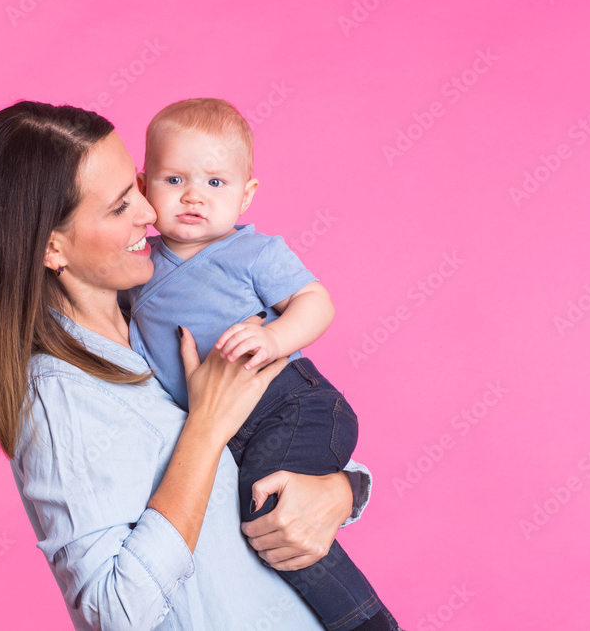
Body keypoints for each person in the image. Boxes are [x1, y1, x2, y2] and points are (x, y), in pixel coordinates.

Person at [0, 100, 402, 630]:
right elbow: (116, 613)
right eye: (120, 206)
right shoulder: (57, 398)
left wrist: (342, 491)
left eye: (138, 189)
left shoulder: (151, 318)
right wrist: (205, 430)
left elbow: (259, 464)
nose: (148, 211)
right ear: (52, 248)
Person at [122, 98, 395, 630]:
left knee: (268, 507)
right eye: (174, 180)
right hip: (229, 427)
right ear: (144, 186)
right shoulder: (139, 263)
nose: (194, 196)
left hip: (293, 403)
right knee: (253, 519)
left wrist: (273, 337)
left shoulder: (254, 253)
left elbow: (317, 302)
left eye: (216, 183)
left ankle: (367, 621)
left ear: (246, 194)